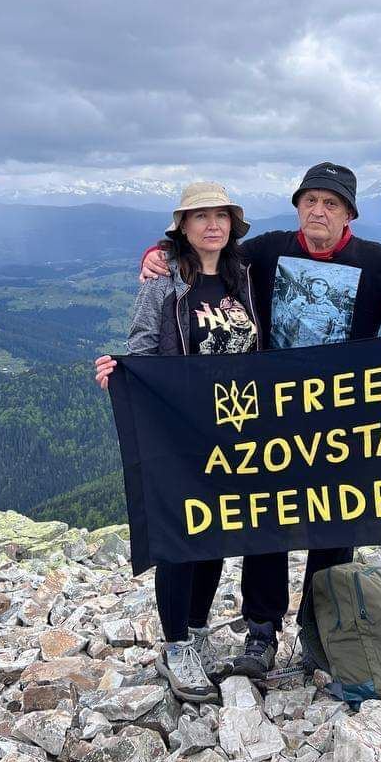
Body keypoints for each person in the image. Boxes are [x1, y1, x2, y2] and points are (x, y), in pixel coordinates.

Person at [140, 162, 381, 680]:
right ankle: (262, 629)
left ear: (349, 216)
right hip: (268, 414)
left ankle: (320, 628)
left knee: (334, 523)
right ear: (297, 205)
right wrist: (156, 255)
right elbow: (206, 254)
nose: (318, 211)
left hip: (342, 418)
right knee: (264, 521)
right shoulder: (268, 250)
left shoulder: (376, 262)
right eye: (310, 200)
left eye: (331, 204)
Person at [94, 182, 261, 701]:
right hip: (180, 427)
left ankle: (194, 628)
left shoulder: (244, 276)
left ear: (232, 225)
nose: (213, 225)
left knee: (218, 530)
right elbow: (142, 345)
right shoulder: (165, 279)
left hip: (237, 426)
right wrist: (125, 378)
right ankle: (174, 645)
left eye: (221, 216)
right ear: (182, 228)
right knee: (181, 531)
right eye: (201, 217)